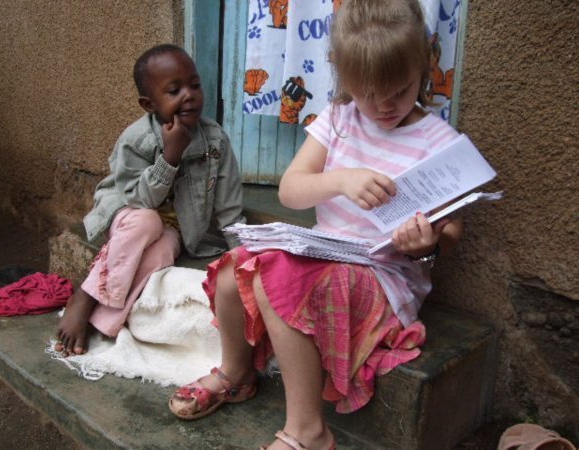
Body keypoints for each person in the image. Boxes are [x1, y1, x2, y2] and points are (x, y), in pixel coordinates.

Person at [169, 0, 464, 448]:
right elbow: (290, 191)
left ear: (423, 70)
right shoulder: (340, 120)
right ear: (345, 81)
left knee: (275, 277)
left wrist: (424, 244)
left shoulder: (439, 143)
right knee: (233, 271)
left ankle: (308, 431)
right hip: (324, 252)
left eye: (400, 91)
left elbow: (453, 230)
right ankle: (236, 372)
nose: (384, 106)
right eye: (369, 94)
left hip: (382, 275)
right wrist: (341, 180)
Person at [55, 44, 245, 356]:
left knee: (162, 253)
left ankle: (103, 321)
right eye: (174, 90)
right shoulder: (137, 139)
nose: (189, 95)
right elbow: (138, 199)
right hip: (130, 216)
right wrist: (170, 155)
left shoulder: (215, 141)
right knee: (147, 221)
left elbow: (229, 209)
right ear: (149, 103)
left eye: (194, 85)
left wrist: (241, 254)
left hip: (176, 227)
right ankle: (85, 297)